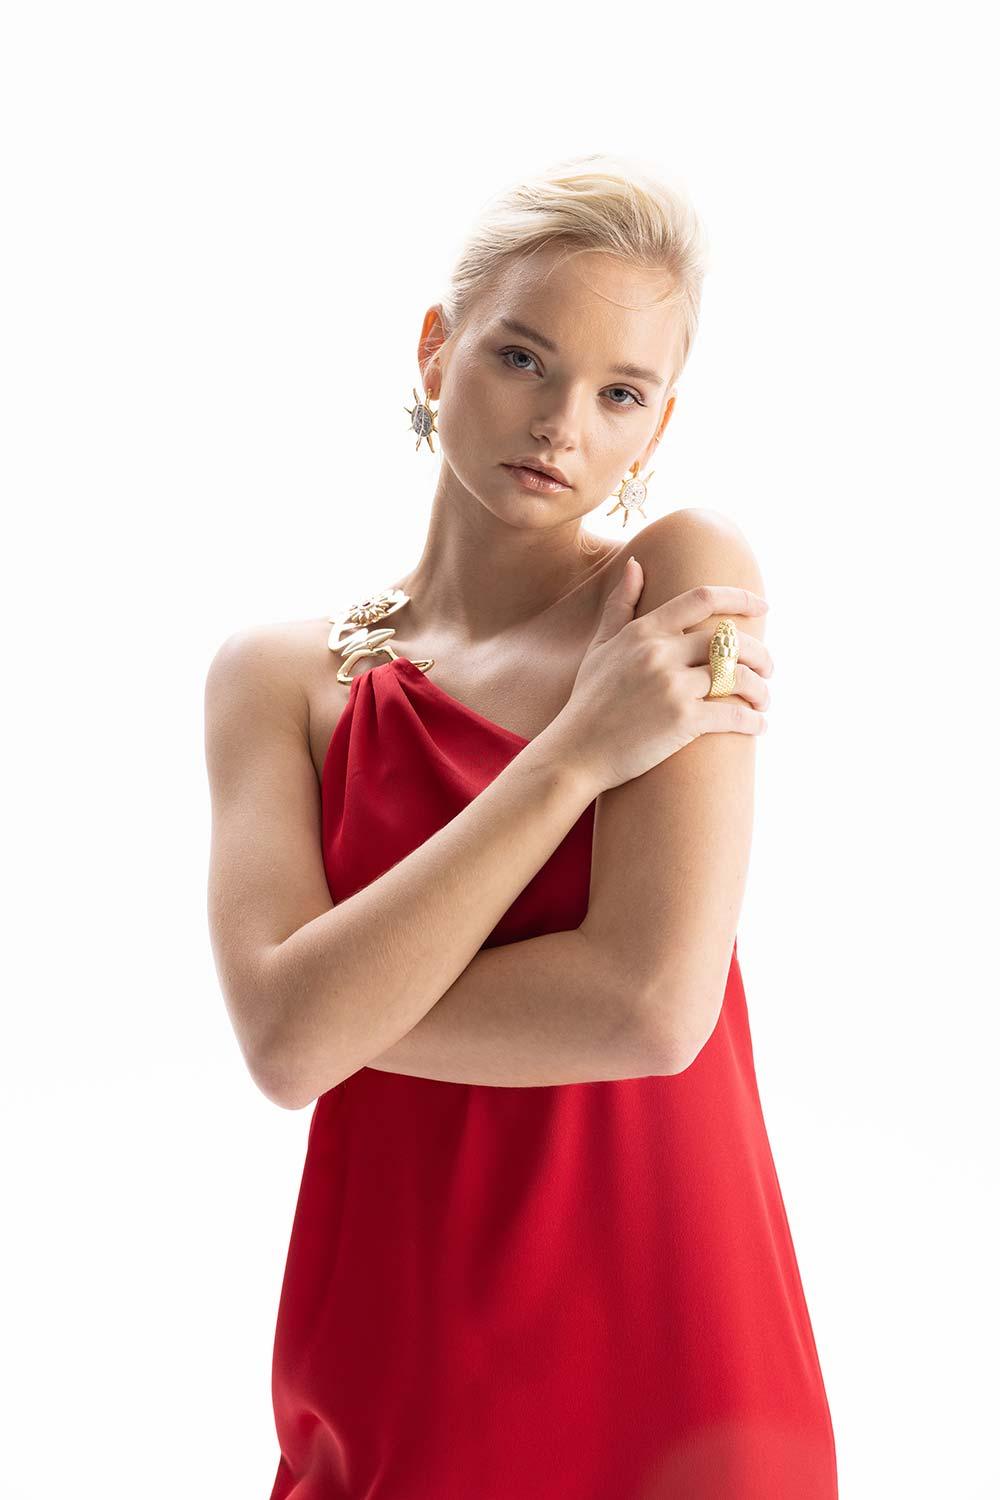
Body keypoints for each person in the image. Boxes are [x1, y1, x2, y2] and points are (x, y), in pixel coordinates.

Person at [204, 152, 838, 1498]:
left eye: (621, 393)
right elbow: (282, 1046)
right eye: (522, 357)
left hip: (673, 1352)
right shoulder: (277, 679)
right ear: (437, 350)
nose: (562, 423)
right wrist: (576, 754)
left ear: (659, 425)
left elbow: (649, 1008)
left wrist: (331, 1005)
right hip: (402, 1349)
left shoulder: (681, 585)